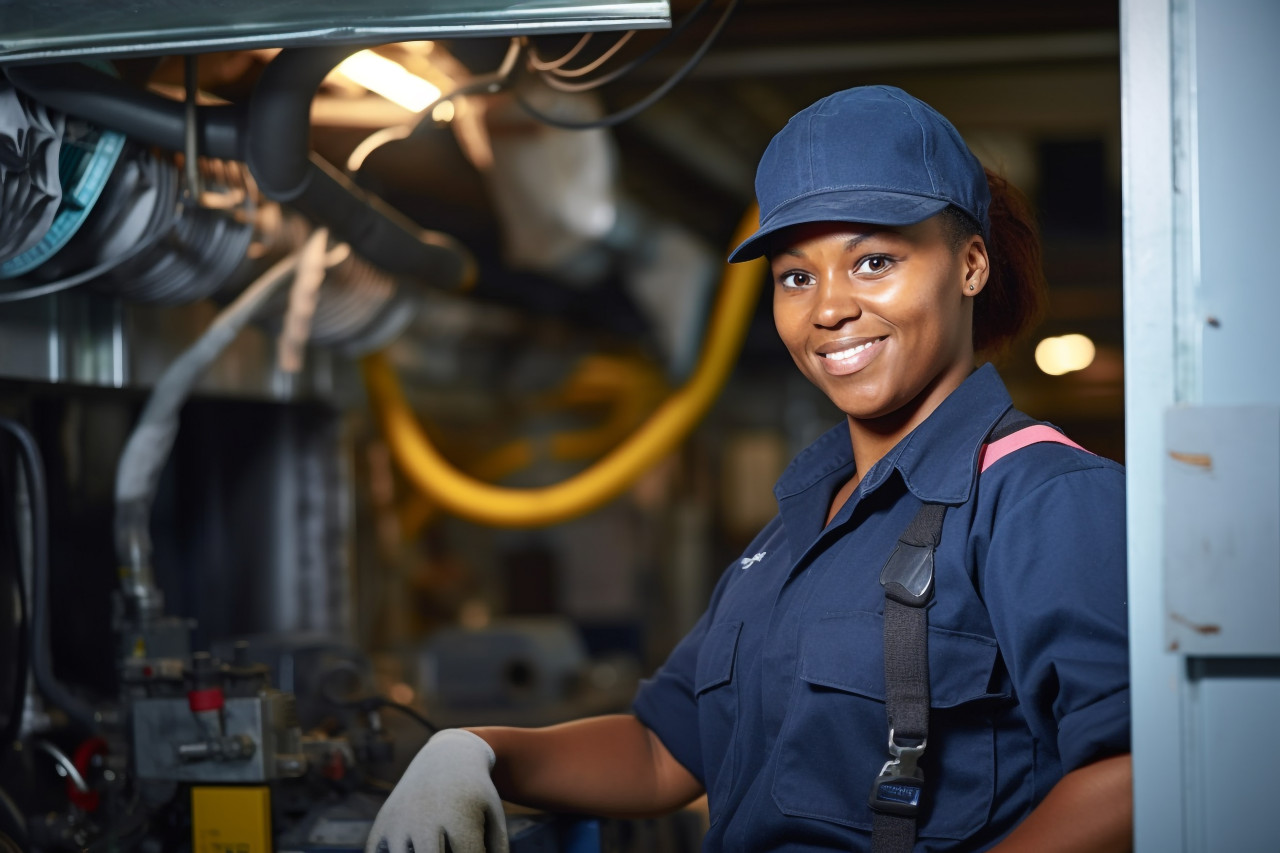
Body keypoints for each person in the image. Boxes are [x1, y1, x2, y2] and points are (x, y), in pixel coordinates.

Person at [365, 85, 1131, 853]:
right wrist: (478, 751)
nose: (828, 308)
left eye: (873, 260)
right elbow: (663, 750)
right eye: (796, 276)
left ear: (970, 266)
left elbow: (1136, 769)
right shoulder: (792, 534)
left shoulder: (1044, 499)